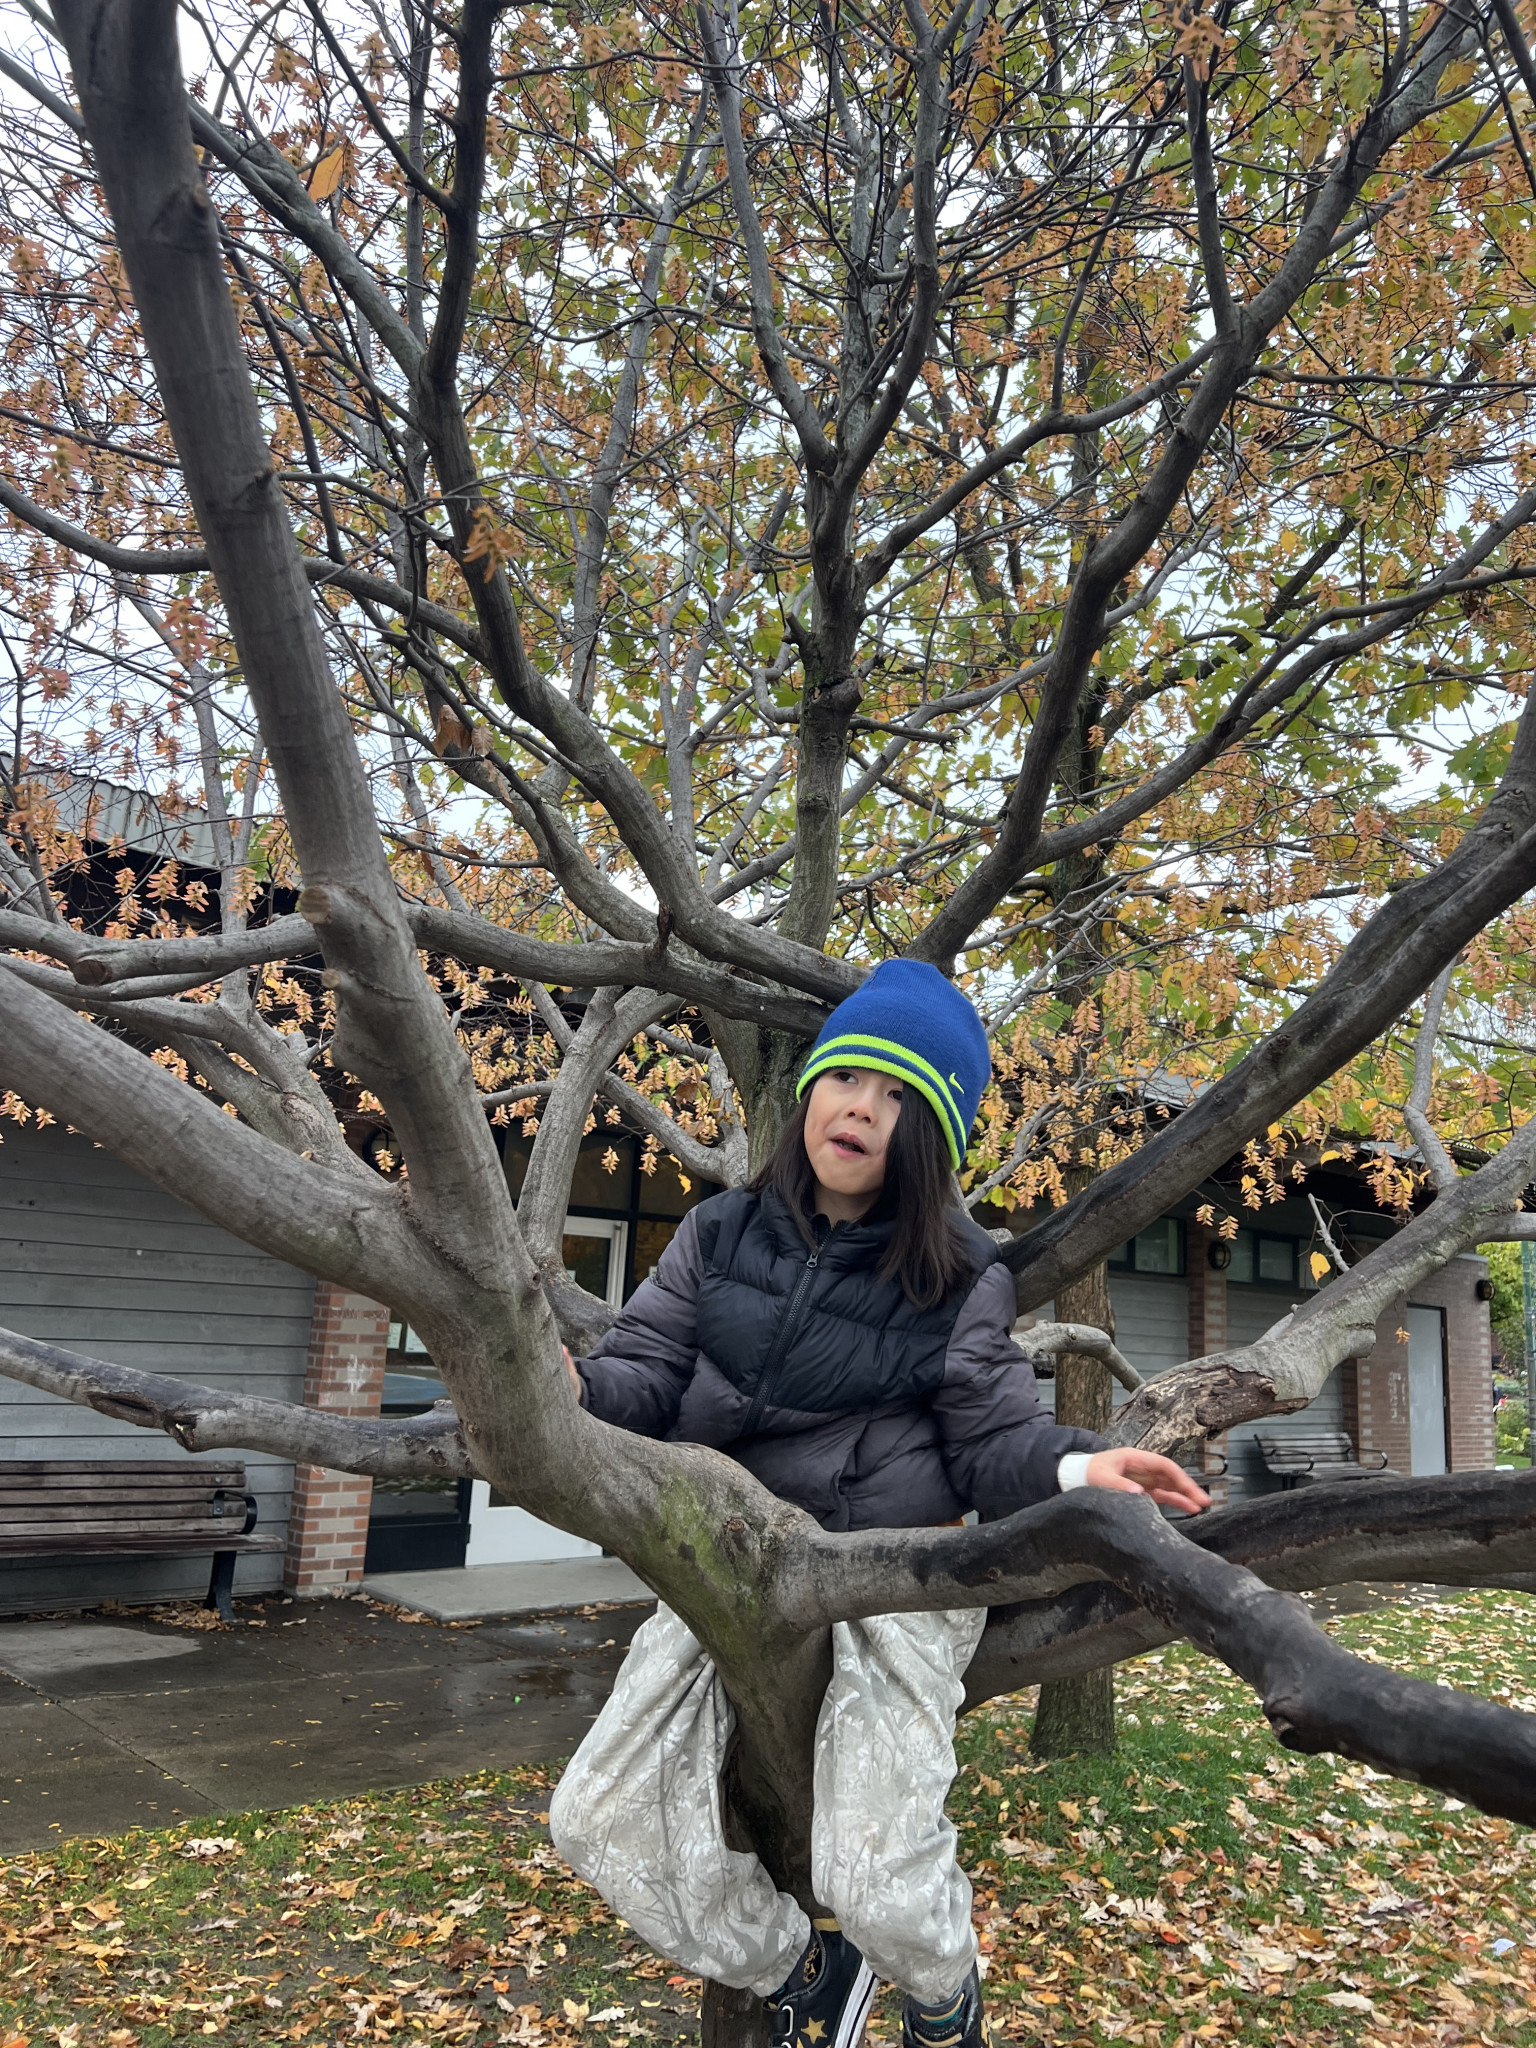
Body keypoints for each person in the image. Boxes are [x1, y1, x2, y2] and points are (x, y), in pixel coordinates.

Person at [550, 960, 1208, 2048]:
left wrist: (1083, 1467)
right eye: (848, 1076)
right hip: (728, 1557)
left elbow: (991, 1443)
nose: (861, 1106)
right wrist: (567, 1389)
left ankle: (944, 1996)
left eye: (899, 1095)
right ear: (811, 1088)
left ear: (931, 1136)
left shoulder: (961, 1275)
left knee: (875, 1879)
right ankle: (803, 1968)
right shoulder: (719, 1232)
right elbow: (644, 1377)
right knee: (597, 1819)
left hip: (896, 1573)